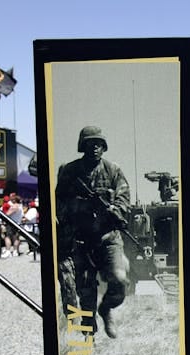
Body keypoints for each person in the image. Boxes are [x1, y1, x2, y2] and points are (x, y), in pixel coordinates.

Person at [55, 125, 131, 338]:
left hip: (108, 237)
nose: (95, 148)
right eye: (90, 144)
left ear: (104, 147)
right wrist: (80, 207)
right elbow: (59, 203)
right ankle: (88, 337)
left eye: (98, 144)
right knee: (85, 290)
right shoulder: (70, 171)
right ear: (83, 146)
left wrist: (115, 210)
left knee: (118, 278)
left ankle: (106, 308)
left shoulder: (113, 170)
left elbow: (124, 196)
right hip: (81, 240)